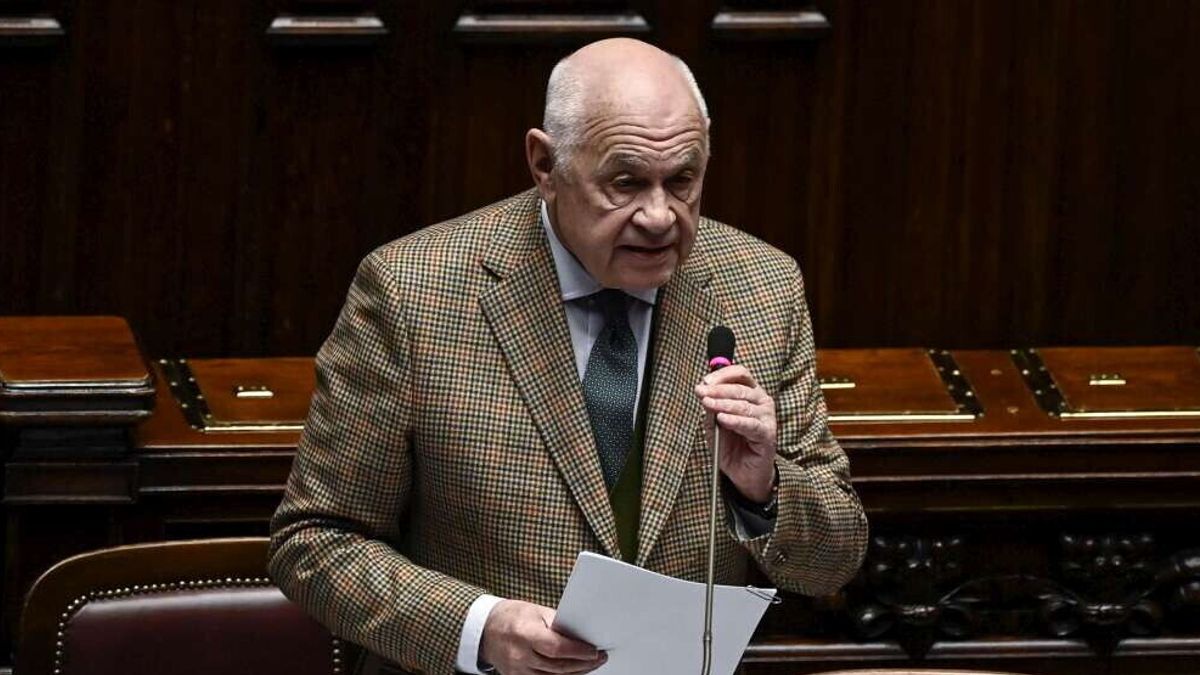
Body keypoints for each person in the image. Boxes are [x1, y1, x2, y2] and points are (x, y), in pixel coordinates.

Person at [269, 38, 867, 675]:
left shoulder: (761, 288)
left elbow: (833, 561)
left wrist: (763, 490)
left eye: (682, 181)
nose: (660, 217)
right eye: (625, 183)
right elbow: (314, 543)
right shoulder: (414, 292)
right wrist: (480, 628)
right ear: (545, 164)